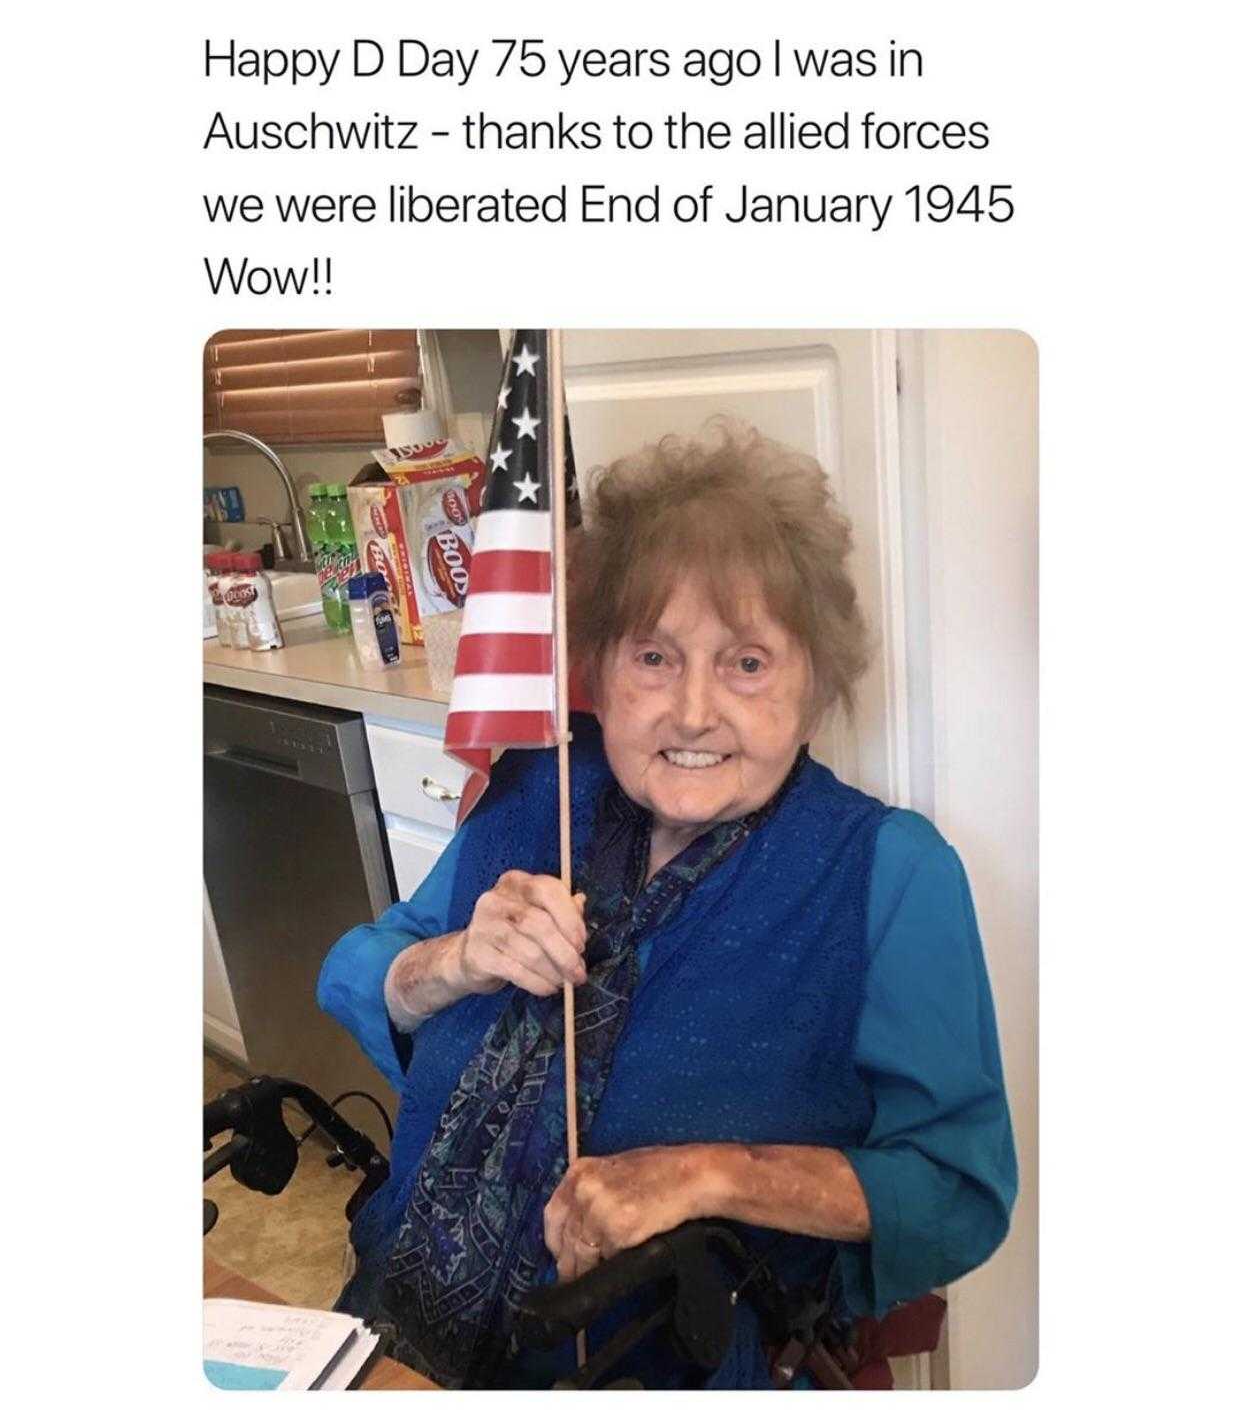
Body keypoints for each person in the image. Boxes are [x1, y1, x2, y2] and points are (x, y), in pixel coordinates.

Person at [318, 423, 1017, 1389]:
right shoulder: (538, 792)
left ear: (816, 687)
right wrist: (453, 961)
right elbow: (357, 970)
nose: (692, 711)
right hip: (388, 1336)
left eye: (748, 663)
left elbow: (958, 1188)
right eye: (652, 657)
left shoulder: (890, 872)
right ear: (601, 668)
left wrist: (705, 1173)